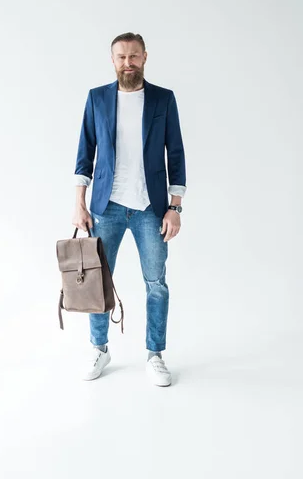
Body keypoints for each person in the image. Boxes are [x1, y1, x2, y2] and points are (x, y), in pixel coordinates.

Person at [72, 32, 186, 387]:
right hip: (106, 207)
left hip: (151, 208)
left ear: (145, 57)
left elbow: (176, 154)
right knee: (96, 282)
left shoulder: (163, 100)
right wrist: (79, 202)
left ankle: (154, 355)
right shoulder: (97, 99)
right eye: (121, 57)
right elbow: (84, 154)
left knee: (156, 284)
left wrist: (174, 207)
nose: (128, 63)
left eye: (134, 56)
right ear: (112, 60)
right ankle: (99, 348)